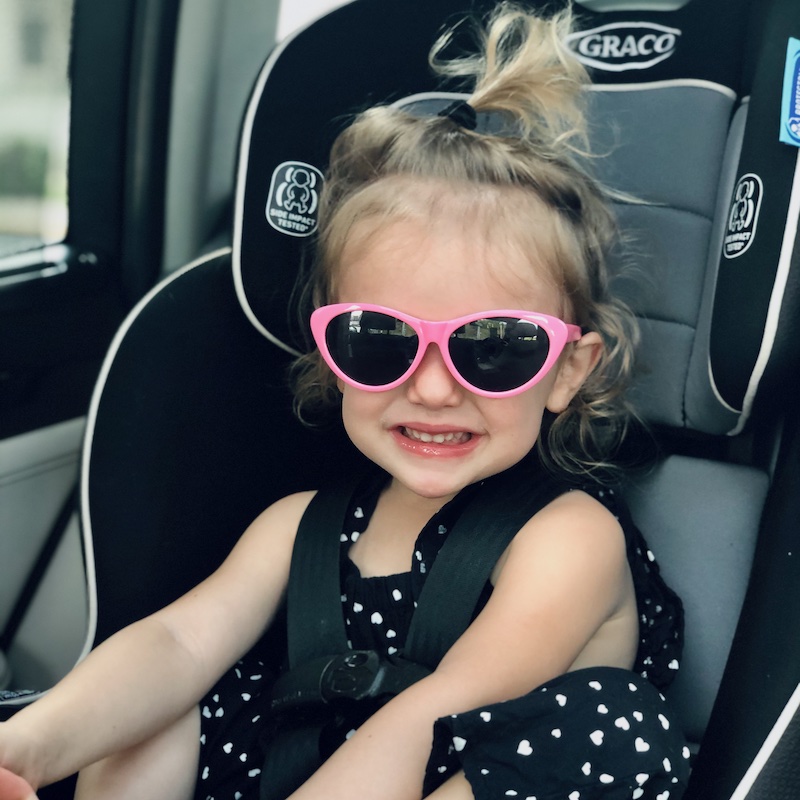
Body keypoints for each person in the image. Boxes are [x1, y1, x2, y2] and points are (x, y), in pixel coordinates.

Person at [0, 4, 689, 799]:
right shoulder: (298, 526)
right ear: (330, 355)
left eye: (495, 347)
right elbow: (177, 642)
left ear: (568, 371)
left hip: (457, 767)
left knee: (611, 728)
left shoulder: (568, 539)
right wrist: (26, 746)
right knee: (166, 697)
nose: (433, 389)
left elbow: (434, 712)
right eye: (380, 341)